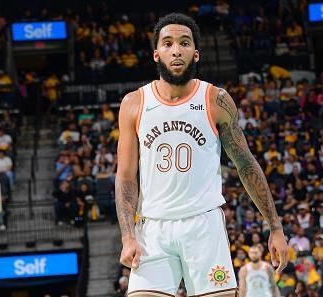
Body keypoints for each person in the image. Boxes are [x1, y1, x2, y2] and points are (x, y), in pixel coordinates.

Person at [115, 13, 288, 297]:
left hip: (204, 225)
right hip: (152, 229)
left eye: (184, 43)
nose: (176, 49)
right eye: (168, 43)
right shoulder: (134, 103)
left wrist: (275, 226)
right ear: (156, 53)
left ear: (195, 53)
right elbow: (125, 177)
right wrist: (127, 235)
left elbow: (246, 165)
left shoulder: (215, 100)